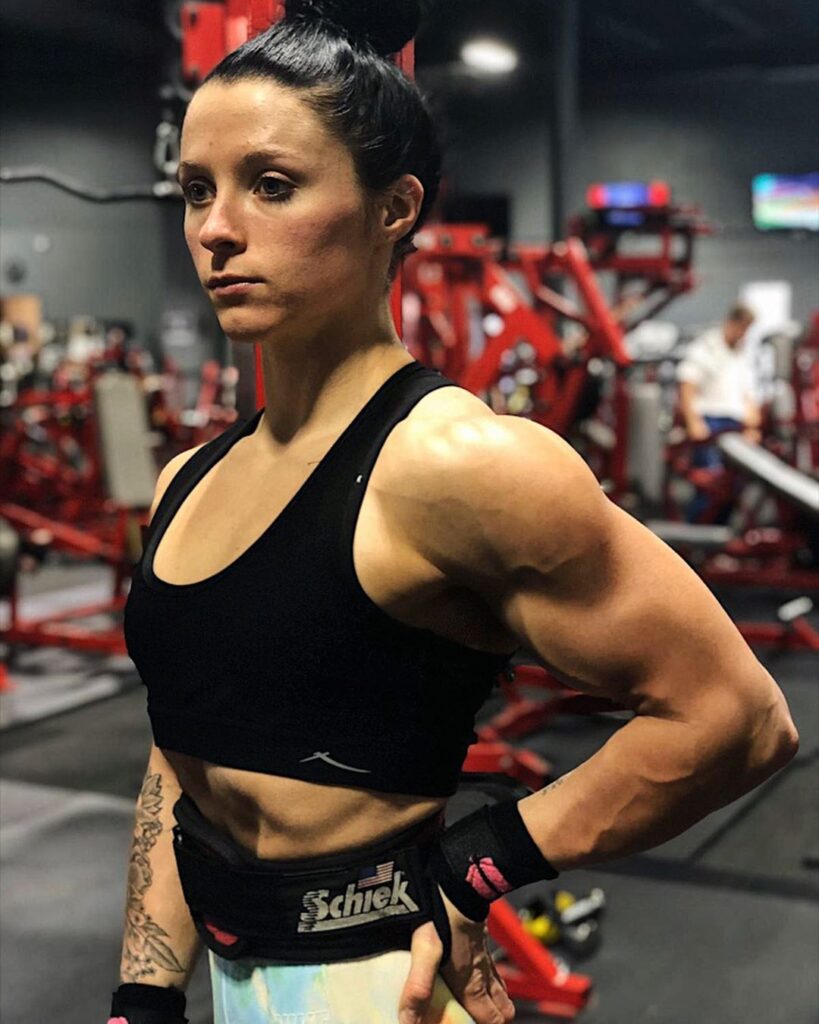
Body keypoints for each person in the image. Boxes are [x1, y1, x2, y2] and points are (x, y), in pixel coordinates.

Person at [110, 4, 799, 1023]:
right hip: (228, 980)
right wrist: (143, 991)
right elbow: (178, 755)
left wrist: (481, 862)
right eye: (198, 190)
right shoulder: (187, 481)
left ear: (394, 208)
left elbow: (736, 717)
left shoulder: (461, 464)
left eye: (272, 185)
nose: (216, 228)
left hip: (384, 988)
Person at [677, 303, 761, 521]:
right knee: (710, 485)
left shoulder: (743, 354)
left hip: (736, 426)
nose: (744, 334)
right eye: (742, 328)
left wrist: (752, 426)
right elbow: (687, 386)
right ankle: (695, 534)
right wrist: (693, 422)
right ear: (731, 323)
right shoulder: (705, 347)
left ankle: (721, 532)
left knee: (734, 489)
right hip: (710, 423)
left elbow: (749, 393)